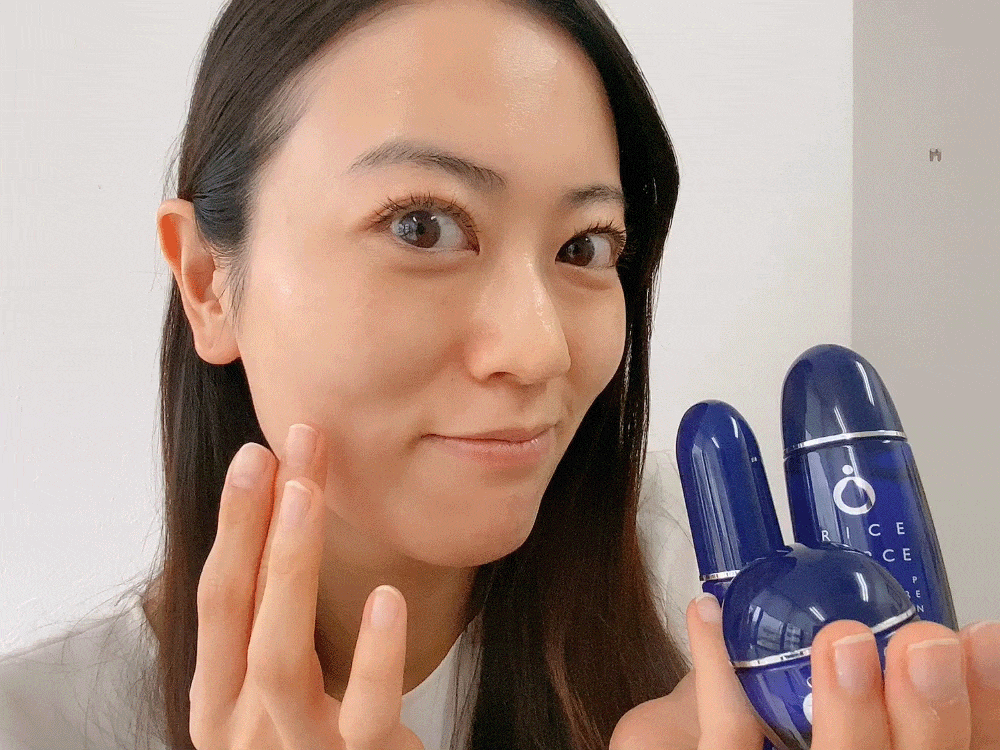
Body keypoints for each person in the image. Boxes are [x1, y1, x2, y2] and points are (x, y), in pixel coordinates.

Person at [2, 0, 998, 748]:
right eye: (421, 226)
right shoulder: (37, 722)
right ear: (208, 280)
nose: (539, 349)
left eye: (585, 246)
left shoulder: (729, 634)